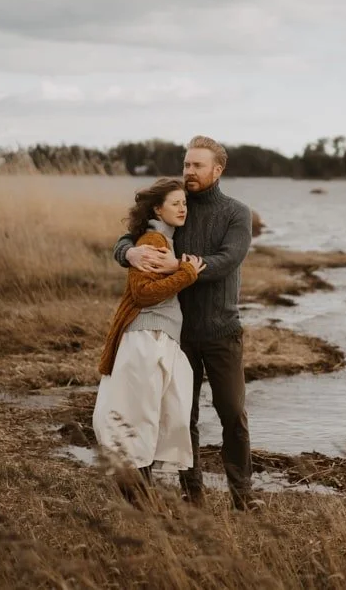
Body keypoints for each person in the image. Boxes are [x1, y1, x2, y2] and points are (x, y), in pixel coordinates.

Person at [113, 135, 255, 510]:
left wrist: (180, 266)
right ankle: (194, 497)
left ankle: (243, 498)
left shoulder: (236, 213)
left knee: (233, 414)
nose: (189, 171)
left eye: (197, 165)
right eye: (186, 164)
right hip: (177, 335)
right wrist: (128, 253)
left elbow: (228, 259)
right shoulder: (177, 204)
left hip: (222, 331)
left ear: (217, 170)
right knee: (181, 417)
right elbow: (129, 235)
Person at [93, 177, 206, 501]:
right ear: (157, 209)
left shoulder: (164, 238)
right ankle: (138, 500)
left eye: (184, 203)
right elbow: (143, 293)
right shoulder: (154, 240)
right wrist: (186, 274)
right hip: (146, 339)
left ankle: (140, 498)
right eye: (175, 203)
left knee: (150, 417)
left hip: (157, 338)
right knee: (141, 418)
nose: (183, 208)